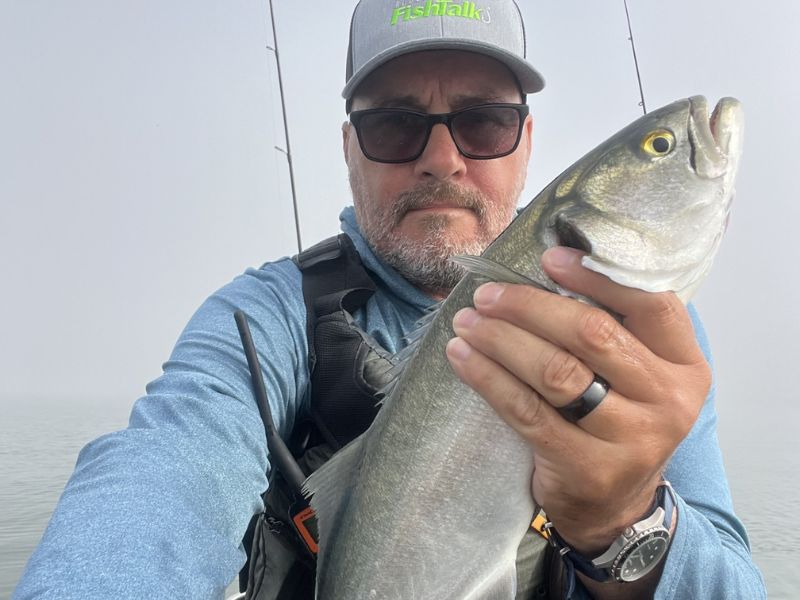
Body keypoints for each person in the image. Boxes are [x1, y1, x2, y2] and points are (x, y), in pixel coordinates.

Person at [14, 1, 765, 598]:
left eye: (484, 122)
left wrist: (624, 520)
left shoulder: (653, 338)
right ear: (349, 149)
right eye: (395, 126)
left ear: (526, 143)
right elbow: (161, 482)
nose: (442, 159)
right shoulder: (267, 315)